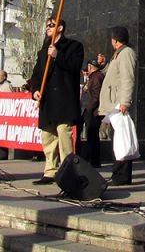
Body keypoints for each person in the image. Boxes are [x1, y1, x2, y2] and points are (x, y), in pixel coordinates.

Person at [29, 18, 84, 185]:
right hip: (48, 101)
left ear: (60, 28)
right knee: (48, 137)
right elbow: (37, 74)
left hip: (64, 99)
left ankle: (68, 171)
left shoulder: (73, 47)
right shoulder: (43, 51)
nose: (48, 28)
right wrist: (35, 90)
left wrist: (58, 56)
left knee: (64, 136)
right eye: (47, 25)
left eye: (51, 25)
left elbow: (74, 67)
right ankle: (50, 171)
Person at [99, 26, 138, 185]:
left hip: (118, 103)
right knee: (117, 139)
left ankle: (122, 176)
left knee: (122, 140)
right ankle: (117, 174)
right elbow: (110, 74)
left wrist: (125, 101)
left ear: (114, 40)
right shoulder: (118, 54)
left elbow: (127, 78)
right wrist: (102, 66)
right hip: (114, 102)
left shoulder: (126, 53)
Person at [81, 58, 105, 168]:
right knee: (91, 135)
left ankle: (94, 160)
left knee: (92, 135)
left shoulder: (96, 77)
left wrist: (89, 110)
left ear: (91, 68)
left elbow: (96, 97)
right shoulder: (94, 77)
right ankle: (92, 158)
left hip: (93, 111)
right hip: (91, 110)